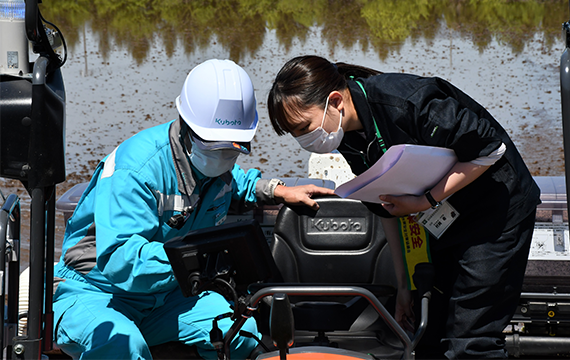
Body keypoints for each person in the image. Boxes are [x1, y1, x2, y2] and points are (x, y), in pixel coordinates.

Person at [52, 58, 335, 360]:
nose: (224, 156)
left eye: (234, 147)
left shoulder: (214, 167)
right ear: (186, 127)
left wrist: (275, 190)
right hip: (98, 293)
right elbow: (120, 259)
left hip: (167, 298)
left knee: (241, 334)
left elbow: (230, 180)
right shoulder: (136, 169)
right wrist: (197, 258)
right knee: (121, 345)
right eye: (215, 146)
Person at [266, 55, 540, 360]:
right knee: (429, 336)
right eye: (295, 134)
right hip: (446, 221)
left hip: (495, 212)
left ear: (335, 101)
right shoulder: (345, 135)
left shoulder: (405, 101)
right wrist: (402, 285)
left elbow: (489, 149)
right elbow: (384, 204)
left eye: (304, 127)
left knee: (471, 342)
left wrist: (426, 200)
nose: (304, 140)